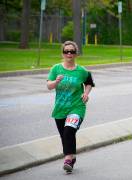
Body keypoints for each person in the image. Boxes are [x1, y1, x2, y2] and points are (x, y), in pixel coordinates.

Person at [47, 41, 95, 174]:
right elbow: (48, 86)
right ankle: (72, 157)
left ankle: (67, 159)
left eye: (72, 51)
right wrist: (55, 82)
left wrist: (86, 93)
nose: (69, 53)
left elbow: (89, 82)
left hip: (77, 107)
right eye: (66, 51)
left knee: (69, 130)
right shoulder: (56, 68)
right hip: (60, 108)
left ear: (76, 54)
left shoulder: (82, 71)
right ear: (62, 53)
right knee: (65, 136)